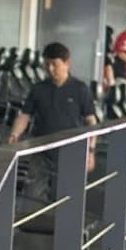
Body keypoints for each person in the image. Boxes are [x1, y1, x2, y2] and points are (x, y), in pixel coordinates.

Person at [8, 42, 98, 179]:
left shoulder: (80, 89)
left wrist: (90, 151)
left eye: (54, 64)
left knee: (68, 191)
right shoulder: (38, 89)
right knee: (33, 190)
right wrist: (14, 134)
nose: (50, 69)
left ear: (67, 63)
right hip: (42, 153)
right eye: (47, 64)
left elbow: (91, 121)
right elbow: (24, 115)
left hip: (71, 152)